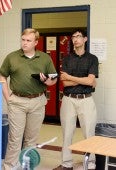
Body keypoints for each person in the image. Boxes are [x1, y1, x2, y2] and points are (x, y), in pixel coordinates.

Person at [0, 28, 57, 170]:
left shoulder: (44, 58)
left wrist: (46, 81)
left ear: (36, 42)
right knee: (14, 139)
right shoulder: (12, 57)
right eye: (23, 40)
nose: (24, 43)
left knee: (31, 140)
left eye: (28, 41)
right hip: (17, 102)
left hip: (38, 101)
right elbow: (2, 77)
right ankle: (9, 167)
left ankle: (27, 166)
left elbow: (53, 81)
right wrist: (8, 98)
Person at [53, 29, 98, 170]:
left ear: (85, 39)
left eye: (78, 36)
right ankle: (66, 164)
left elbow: (90, 81)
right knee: (67, 133)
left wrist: (71, 77)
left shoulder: (92, 59)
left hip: (86, 100)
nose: (75, 39)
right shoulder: (67, 59)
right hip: (68, 99)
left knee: (89, 133)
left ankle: (90, 164)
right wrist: (84, 80)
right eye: (73, 37)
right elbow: (65, 83)